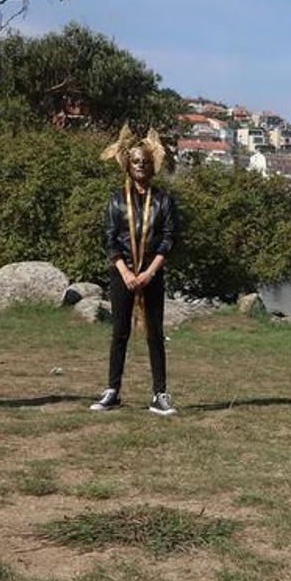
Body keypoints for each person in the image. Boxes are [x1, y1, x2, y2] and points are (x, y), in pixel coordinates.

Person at [90, 127, 179, 416]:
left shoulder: (163, 200)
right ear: (127, 165)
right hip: (123, 275)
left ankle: (160, 394)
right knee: (120, 332)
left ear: (152, 164)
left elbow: (168, 239)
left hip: (151, 275)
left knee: (155, 334)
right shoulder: (116, 200)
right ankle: (112, 390)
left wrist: (150, 272)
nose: (140, 165)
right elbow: (110, 238)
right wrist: (126, 272)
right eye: (135, 161)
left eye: (144, 160)